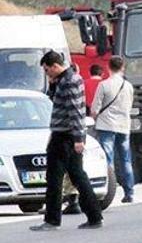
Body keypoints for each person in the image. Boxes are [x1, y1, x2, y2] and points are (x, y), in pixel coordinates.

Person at [31, 51, 103, 231]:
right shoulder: (67, 79)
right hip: (65, 134)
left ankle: (52, 219)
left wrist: (78, 138)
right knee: (77, 175)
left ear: (55, 66)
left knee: (55, 177)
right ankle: (94, 216)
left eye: (48, 71)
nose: (47, 75)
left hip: (66, 136)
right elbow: (55, 100)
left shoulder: (69, 81)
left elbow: (76, 112)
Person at [91, 56, 135, 202]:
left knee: (108, 160)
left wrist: (96, 117)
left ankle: (109, 191)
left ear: (109, 67)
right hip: (124, 125)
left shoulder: (104, 85)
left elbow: (95, 108)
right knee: (125, 159)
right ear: (122, 67)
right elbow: (129, 106)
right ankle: (129, 192)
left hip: (106, 126)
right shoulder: (128, 86)